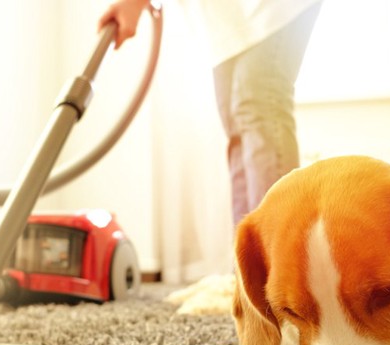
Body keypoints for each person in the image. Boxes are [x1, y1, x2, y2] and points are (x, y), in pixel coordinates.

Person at [99, 0, 323, 226]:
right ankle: (247, 256)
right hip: (226, 21)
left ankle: (278, 254)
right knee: (236, 129)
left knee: (258, 106)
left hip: (268, 9)